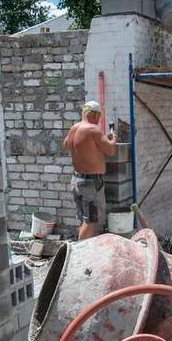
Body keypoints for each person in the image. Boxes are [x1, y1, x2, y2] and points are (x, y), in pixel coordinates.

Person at [62, 100, 116, 240]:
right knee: (91, 220)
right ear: (93, 114)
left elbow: (66, 145)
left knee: (84, 219)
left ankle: (84, 246)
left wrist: (88, 148)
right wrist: (113, 139)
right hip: (90, 185)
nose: (99, 120)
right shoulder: (93, 130)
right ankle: (80, 253)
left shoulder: (74, 128)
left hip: (77, 181)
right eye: (99, 116)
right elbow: (110, 150)